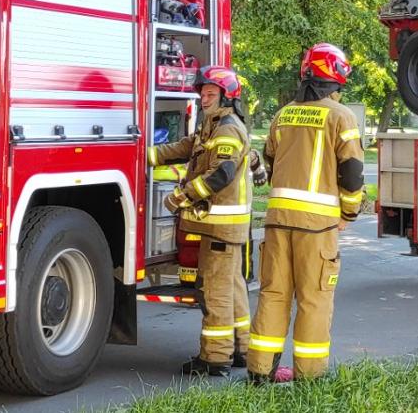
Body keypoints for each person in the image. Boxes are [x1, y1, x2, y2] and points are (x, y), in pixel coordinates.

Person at [247, 43, 366, 385]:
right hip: (317, 228)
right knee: (314, 300)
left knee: (273, 295)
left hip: (277, 222)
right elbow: (353, 173)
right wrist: (349, 213)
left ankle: (260, 372)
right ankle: (309, 378)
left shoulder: (283, 114)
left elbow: (271, 161)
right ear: (337, 76)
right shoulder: (341, 116)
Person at [149, 66, 255, 377]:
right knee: (232, 286)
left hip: (221, 227)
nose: (204, 98)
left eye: (210, 94)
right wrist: (148, 155)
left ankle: (215, 358)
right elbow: (185, 148)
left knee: (215, 290)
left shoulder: (227, 130)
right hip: (221, 227)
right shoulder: (211, 126)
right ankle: (241, 348)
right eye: (203, 93)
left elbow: (220, 174)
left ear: (227, 96)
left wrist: (182, 197)